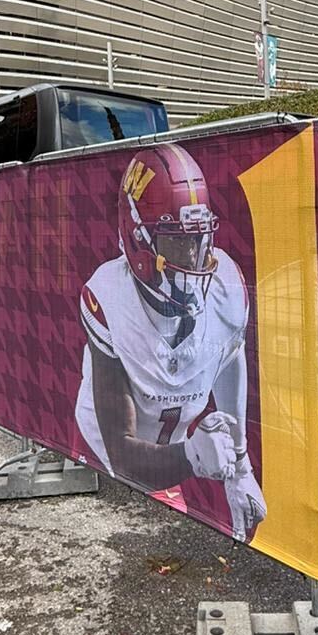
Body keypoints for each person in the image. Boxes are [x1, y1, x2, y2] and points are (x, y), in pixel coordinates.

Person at [73, 142, 267, 543]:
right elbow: (124, 453)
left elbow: (229, 357)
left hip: (171, 460)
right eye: (178, 242)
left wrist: (241, 466)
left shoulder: (227, 285)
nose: (195, 257)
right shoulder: (108, 298)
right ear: (139, 242)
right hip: (106, 459)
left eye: (200, 239)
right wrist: (191, 457)